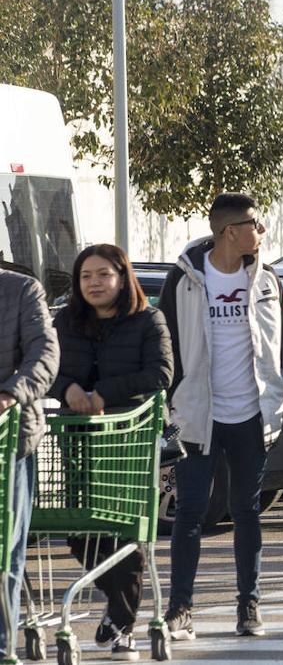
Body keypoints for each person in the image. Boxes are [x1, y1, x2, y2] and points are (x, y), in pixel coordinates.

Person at [160, 193, 283, 639]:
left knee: (246, 511)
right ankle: (180, 609)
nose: (262, 231)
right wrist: (165, 401)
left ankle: (249, 605)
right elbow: (166, 345)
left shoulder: (267, 280)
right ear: (230, 231)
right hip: (198, 417)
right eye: (255, 223)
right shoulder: (186, 280)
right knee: (191, 513)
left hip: (252, 416)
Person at [51, 245, 173, 660]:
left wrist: (104, 393)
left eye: (103, 275)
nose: (94, 284)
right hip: (80, 439)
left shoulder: (147, 319)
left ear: (122, 277)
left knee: (125, 529)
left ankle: (123, 620)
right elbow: (47, 367)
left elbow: (160, 373)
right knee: (80, 530)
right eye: (86, 276)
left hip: (128, 439)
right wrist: (67, 389)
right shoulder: (65, 321)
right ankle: (120, 608)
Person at [0, 268, 58, 659]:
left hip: (9, 439)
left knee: (6, 547)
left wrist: (9, 394)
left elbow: (44, 353)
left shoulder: (21, 291)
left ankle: (2, 642)